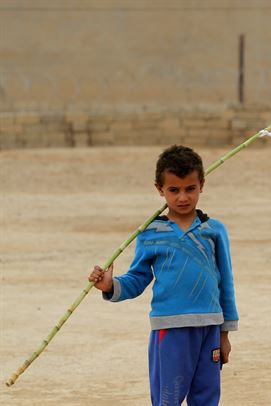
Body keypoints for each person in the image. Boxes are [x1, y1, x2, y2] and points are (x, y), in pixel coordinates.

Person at [88, 145, 239, 406]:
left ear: (201, 185)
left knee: (207, 397)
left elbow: (226, 282)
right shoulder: (150, 233)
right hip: (170, 330)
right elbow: (137, 279)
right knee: (167, 399)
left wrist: (225, 334)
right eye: (174, 190)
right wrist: (110, 285)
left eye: (190, 188)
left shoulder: (214, 230)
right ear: (159, 189)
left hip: (210, 328)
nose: (183, 197)